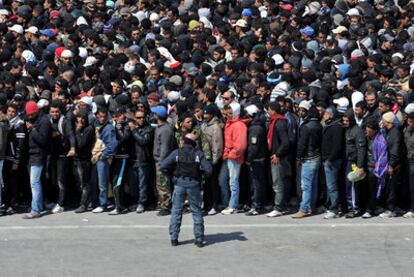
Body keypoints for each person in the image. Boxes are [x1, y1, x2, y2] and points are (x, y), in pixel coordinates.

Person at [160, 133, 212, 247]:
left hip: (179, 184)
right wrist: (201, 176)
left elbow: (162, 166)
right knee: (196, 211)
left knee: (176, 210)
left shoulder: (176, 153)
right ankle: (199, 239)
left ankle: (174, 238)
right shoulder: (198, 154)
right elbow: (209, 170)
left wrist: (172, 177)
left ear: (183, 141)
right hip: (194, 185)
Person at [293, 101, 322, 218]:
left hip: (308, 158)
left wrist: (298, 158)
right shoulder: (319, 125)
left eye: (303, 110)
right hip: (316, 156)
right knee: (313, 184)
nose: (300, 112)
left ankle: (304, 208)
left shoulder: (306, 126)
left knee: (306, 186)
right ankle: (311, 206)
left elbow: (301, 144)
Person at [23, 101, 52, 219]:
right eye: (28, 114)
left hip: (38, 155)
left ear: (37, 111)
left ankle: (35, 210)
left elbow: (43, 140)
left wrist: (32, 130)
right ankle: (38, 206)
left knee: (34, 182)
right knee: (35, 182)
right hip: (32, 155)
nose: (30, 116)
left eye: (32, 114)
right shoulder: (33, 119)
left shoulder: (44, 121)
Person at [219, 102, 248, 215]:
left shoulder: (238, 125)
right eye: (228, 113)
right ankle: (231, 204)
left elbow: (241, 145)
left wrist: (232, 154)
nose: (228, 115)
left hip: (234, 157)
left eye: (231, 113)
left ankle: (233, 205)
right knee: (231, 181)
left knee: (233, 182)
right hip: (230, 155)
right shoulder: (230, 123)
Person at [48, 99, 76, 214]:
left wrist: (73, 148)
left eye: (56, 112)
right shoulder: (48, 120)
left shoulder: (64, 121)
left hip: (63, 155)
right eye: (52, 112)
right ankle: (55, 200)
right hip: (52, 154)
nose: (54, 114)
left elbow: (71, 135)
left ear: (60, 112)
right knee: (52, 179)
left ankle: (61, 204)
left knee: (61, 180)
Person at [90, 107, 118, 213]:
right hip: (97, 157)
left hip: (102, 158)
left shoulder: (109, 128)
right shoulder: (97, 125)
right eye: (100, 116)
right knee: (98, 181)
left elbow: (112, 144)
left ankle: (103, 204)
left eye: (104, 116)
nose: (102, 118)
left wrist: (104, 155)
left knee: (103, 182)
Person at [266, 102, 290, 217]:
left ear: (273, 111)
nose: (268, 112)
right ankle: (282, 205)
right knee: (279, 182)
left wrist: (277, 154)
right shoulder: (274, 122)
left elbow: (285, 142)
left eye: (269, 110)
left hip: (278, 158)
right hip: (276, 156)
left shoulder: (279, 123)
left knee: (278, 183)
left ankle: (278, 207)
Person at [321, 107, 345, 219]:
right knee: (331, 186)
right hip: (329, 160)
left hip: (332, 162)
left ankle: (334, 209)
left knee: (332, 186)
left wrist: (329, 160)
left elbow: (337, 146)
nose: (323, 115)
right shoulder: (331, 126)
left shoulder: (336, 127)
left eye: (325, 113)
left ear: (330, 115)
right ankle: (331, 206)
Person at [343, 109, 366, 218]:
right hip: (348, 161)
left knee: (352, 186)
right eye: (344, 120)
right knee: (349, 186)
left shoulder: (357, 131)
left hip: (355, 163)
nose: (345, 122)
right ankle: (350, 207)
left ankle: (354, 209)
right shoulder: (348, 130)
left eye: (347, 120)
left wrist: (360, 166)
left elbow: (361, 150)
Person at [129, 109, 154, 214]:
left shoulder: (149, 129)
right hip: (132, 160)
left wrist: (134, 131)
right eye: (138, 117)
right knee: (133, 184)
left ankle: (142, 203)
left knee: (142, 184)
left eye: (143, 117)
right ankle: (135, 201)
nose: (141, 119)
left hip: (143, 160)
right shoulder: (131, 127)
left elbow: (143, 141)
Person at [152, 105, 175, 216]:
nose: (153, 115)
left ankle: (165, 205)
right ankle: (162, 203)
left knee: (163, 184)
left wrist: (162, 162)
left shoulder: (165, 130)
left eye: (154, 113)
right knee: (160, 184)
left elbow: (165, 148)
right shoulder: (159, 127)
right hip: (158, 160)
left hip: (162, 161)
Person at [200, 105, 223, 215]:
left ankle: (214, 205)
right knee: (206, 184)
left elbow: (217, 145)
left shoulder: (215, 127)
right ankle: (206, 204)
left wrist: (215, 160)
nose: (205, 116)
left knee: (213, 183)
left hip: (212, 160)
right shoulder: (204, 125)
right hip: (205, 158)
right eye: (204, 113)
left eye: (207, 114)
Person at [244, 104, 267, 216]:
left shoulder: (255, 128)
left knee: (256, 183)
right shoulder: (258, 126)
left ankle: (256, 205)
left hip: (256, 160)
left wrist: (249, 159)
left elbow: (254, 147)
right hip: (259, 158)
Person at [109, 107, 132, 215]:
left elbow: (124, 139)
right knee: (115, 182)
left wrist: (118, 128)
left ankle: (119, 207)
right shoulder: (111, 125)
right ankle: (119, 204)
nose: (117, 118)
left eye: (119, 115)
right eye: (115, 116)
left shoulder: (125, 127)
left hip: (122, 157)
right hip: (114, 157)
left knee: (118, 182)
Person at [363, 120, 388, 219]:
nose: (367, 132)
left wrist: (377, 171)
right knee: (366, 189)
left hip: (375, 169)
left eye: (369, 131)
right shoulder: (366, 138)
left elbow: (383, 157)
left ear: (375, 131)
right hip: (366, 167)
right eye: (366, 130)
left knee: (373, 190)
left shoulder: (381, 141)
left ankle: (370, 210)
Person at [380, 112, 403, 218]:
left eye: (383, 120)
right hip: (390, 164)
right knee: (390, 187)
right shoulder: (389, 131)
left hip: (393, 166)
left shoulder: (394, 133)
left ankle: (391, 210)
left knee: (392, 187)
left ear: (388, 121)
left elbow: (395, 151)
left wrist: (391, 165)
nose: (382, 121)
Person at [73, 111, 95, 213]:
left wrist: (77, 131)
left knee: (85, 183)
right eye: (79, 117)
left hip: (85, 160)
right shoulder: (75, 127)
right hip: (77, 159)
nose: (80, 120)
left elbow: (82, 144)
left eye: (83, 118)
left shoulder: (88, 129)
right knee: (79, 183)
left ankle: (84, 204)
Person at [403, 113, 414, 218]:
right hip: (409, 162)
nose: (409, 123)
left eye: (411, 122)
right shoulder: (406, 131)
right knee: (411, 187)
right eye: (408, 121)